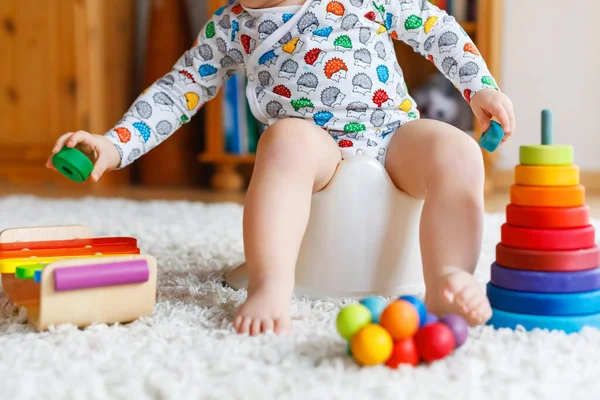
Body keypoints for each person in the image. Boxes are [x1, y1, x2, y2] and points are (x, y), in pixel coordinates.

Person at [46, 0, 515, 336]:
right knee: (282, 139)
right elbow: (178, 89)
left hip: (394, 134)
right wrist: (114, 144)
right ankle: (272, 282)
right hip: (316, 148)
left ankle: (448, 276)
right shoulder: (232, 25)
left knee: (458, 152)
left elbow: (435, 27)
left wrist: (480, 88)